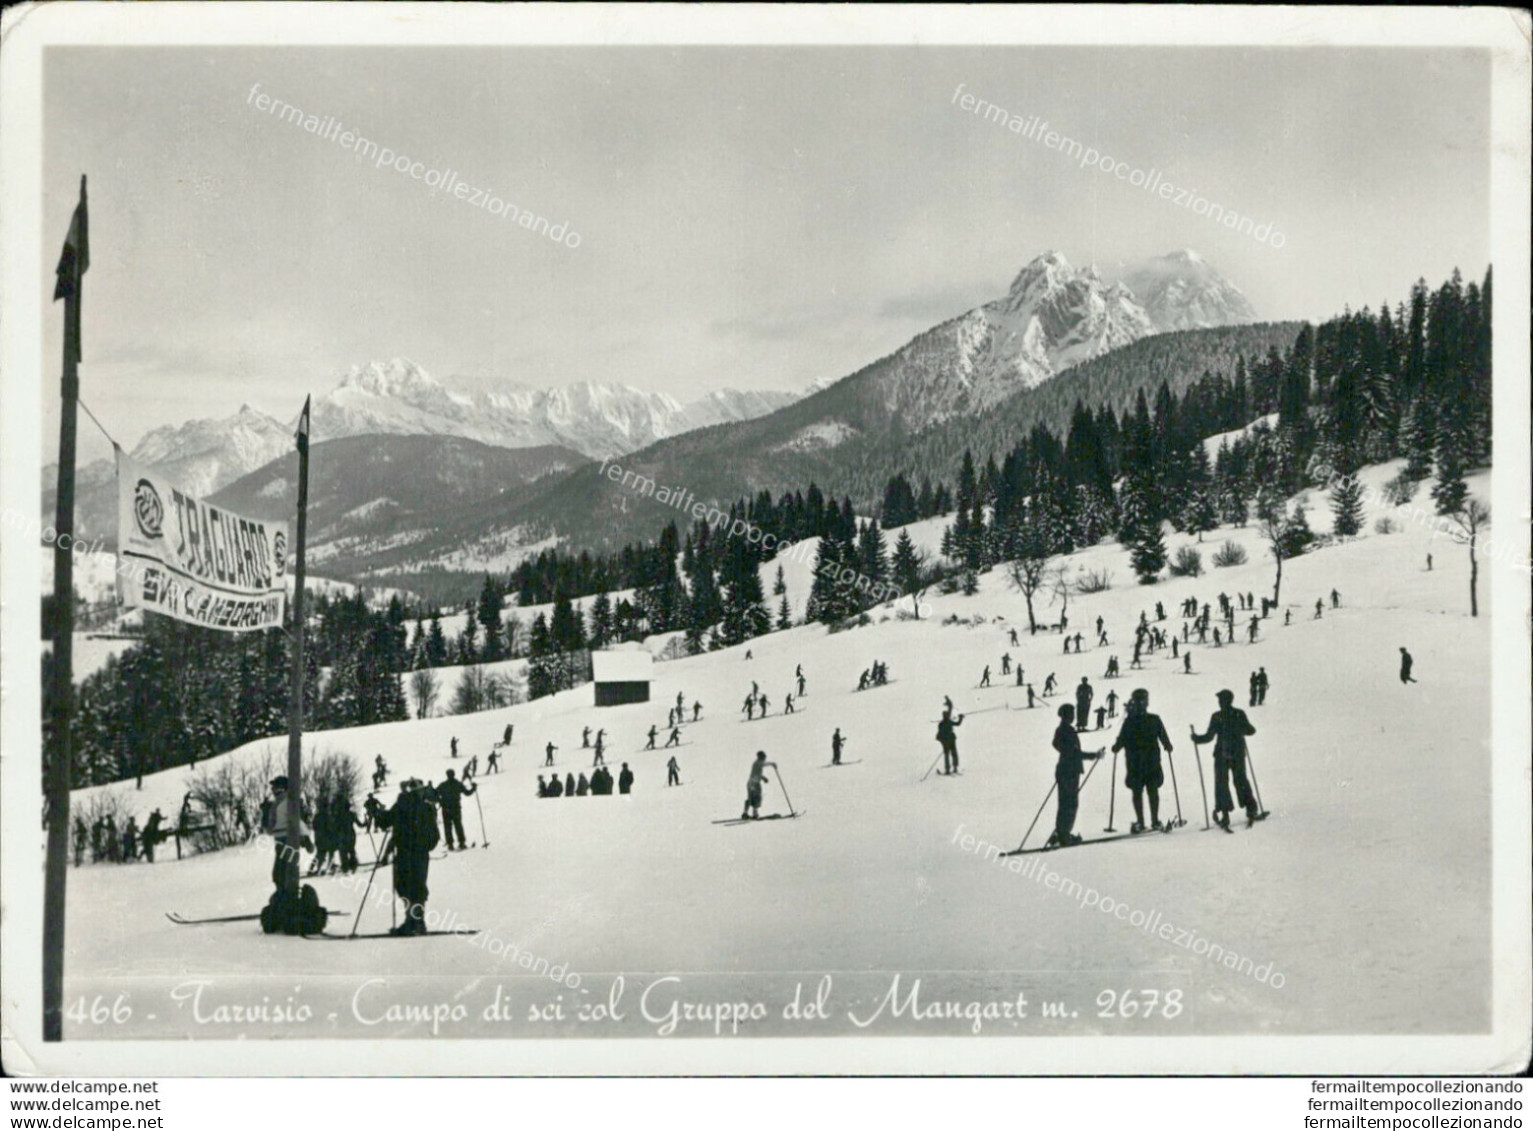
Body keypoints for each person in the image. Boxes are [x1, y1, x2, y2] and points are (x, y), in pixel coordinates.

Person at [367, 779, 439, 936]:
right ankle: (416, 922)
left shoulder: (401, 806)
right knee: (418, 886)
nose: (422, 792)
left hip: (404, 853)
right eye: (420, 790)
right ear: (416, 792)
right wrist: (427, 845)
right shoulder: (425, 808)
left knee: (404, 886)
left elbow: (384, 822)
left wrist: (377, 813)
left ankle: (411, 921)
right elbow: (434, 835)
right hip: (419, 854)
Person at [1192, 690, 1260, 829]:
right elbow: (1251, 730)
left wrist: (1197, 739)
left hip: (1221, 755)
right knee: (1240, 780)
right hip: (1237, 753)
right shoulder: (1239, 713)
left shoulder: (1217, 716)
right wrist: (1242, 730)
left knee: (1222, 783)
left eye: (1221, 700)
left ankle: (1225, 813)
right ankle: (1250, 808)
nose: (1220, 702)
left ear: (1225, 701)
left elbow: (1209, 737)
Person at [1113, 689, 1173, 833]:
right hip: (1139, 763)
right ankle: (1144, 821)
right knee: (1141, 792)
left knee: (1149, 791)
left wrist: (1167, 744)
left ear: (1146, 703)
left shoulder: (1152, 719)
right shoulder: (1134, 721)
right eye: (1138, 701)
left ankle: (1153, 820)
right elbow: (1122, 739)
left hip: (1146, 762)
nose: (1140, 704)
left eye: (1142, 701)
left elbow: (1163, 736)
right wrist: (1117, 746)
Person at [1049, 705, 1102, 847]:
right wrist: (1094, 755)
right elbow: (1073, 752)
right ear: (1066, 715)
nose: (1074, 716)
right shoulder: (1065, 731)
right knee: (1070, 804)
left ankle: (1062, 833)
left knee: (1066, 803)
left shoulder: (1064, 730)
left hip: (1067, 770)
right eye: (1071, 713)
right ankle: (1064, 836)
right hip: (1069, 771)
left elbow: (1059, 745)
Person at [259, 776, 312, 892]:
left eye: (274, 787)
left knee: (282, 871)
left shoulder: (285, 803)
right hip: (283, 838)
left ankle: (287, 895)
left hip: (285, 838)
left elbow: (296, 821)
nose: (272, 790)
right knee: (284, 870)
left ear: (281, 788)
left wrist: (305, 838)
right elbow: (270, 828)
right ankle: (285, 893)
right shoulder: (279, 803)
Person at [436, 769, 477, 851]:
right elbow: (467, 793)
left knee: (447, 826)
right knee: (458, 825)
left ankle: (450, 844)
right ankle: (461, 842)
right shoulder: (458, 784)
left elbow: (435, 794)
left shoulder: (443, 785)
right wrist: (474, 788)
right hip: (456, 808)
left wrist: (440, 801)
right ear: (454, 774)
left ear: (447, 775)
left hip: (446, 809)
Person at [742, 752, 776, 820]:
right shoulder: (758, 763)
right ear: (760, 757)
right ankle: (748, 813)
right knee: (753, 797)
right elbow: (762, 765)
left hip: (753, 783)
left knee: (754, 798)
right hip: (753, 783)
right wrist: (772, 764)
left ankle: (751, 813)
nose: (764, 759)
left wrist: (763, 778)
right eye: (764, 757)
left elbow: (757, 773)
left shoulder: (757, 763)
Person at [936, 708, 965, 775]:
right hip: (949, 740)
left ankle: (949, 769)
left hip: (947, 740)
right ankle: (953, 768)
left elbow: (957, 724)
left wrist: (960, 718)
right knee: (953, 753)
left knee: (949, 754)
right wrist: (961, 717)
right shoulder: (947, 722)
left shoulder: (942, 723)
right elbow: (958, 724)